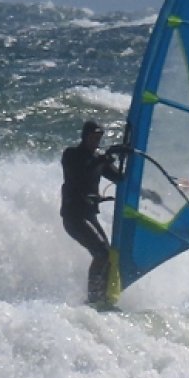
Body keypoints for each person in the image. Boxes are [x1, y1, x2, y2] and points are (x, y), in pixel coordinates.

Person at [61, 118, 129, 304]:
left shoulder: (98, 160)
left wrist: (128, 157)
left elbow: (121, 178)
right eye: (93, 137)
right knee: (102, 253)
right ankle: (94, 297)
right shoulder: (72, 155)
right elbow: (81, 172)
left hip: (88, 215)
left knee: (109, 255)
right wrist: (105, 158)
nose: (96, 141)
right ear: (85, 137)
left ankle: (104, 296)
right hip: (74, 217)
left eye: (99, 137)